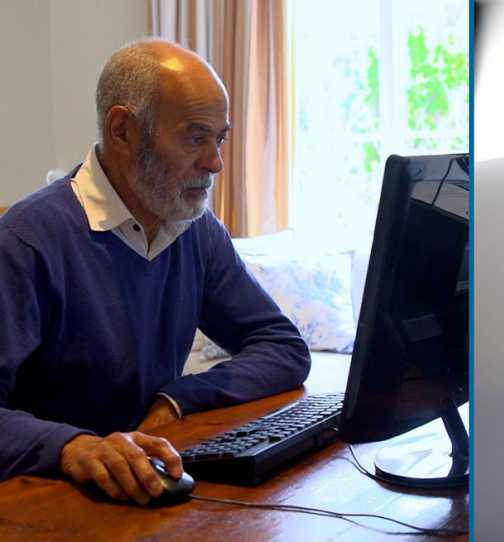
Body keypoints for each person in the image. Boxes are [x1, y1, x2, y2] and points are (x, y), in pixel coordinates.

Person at [0, 39, 310, 505]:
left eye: (219, 138)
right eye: (194, 137)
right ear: (123, 130)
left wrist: (177, 399)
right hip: (50, 501)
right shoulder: (27, 240)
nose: (215, 162)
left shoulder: (197, 230)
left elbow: (282, 348)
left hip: (148, 487)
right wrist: (74, 447)